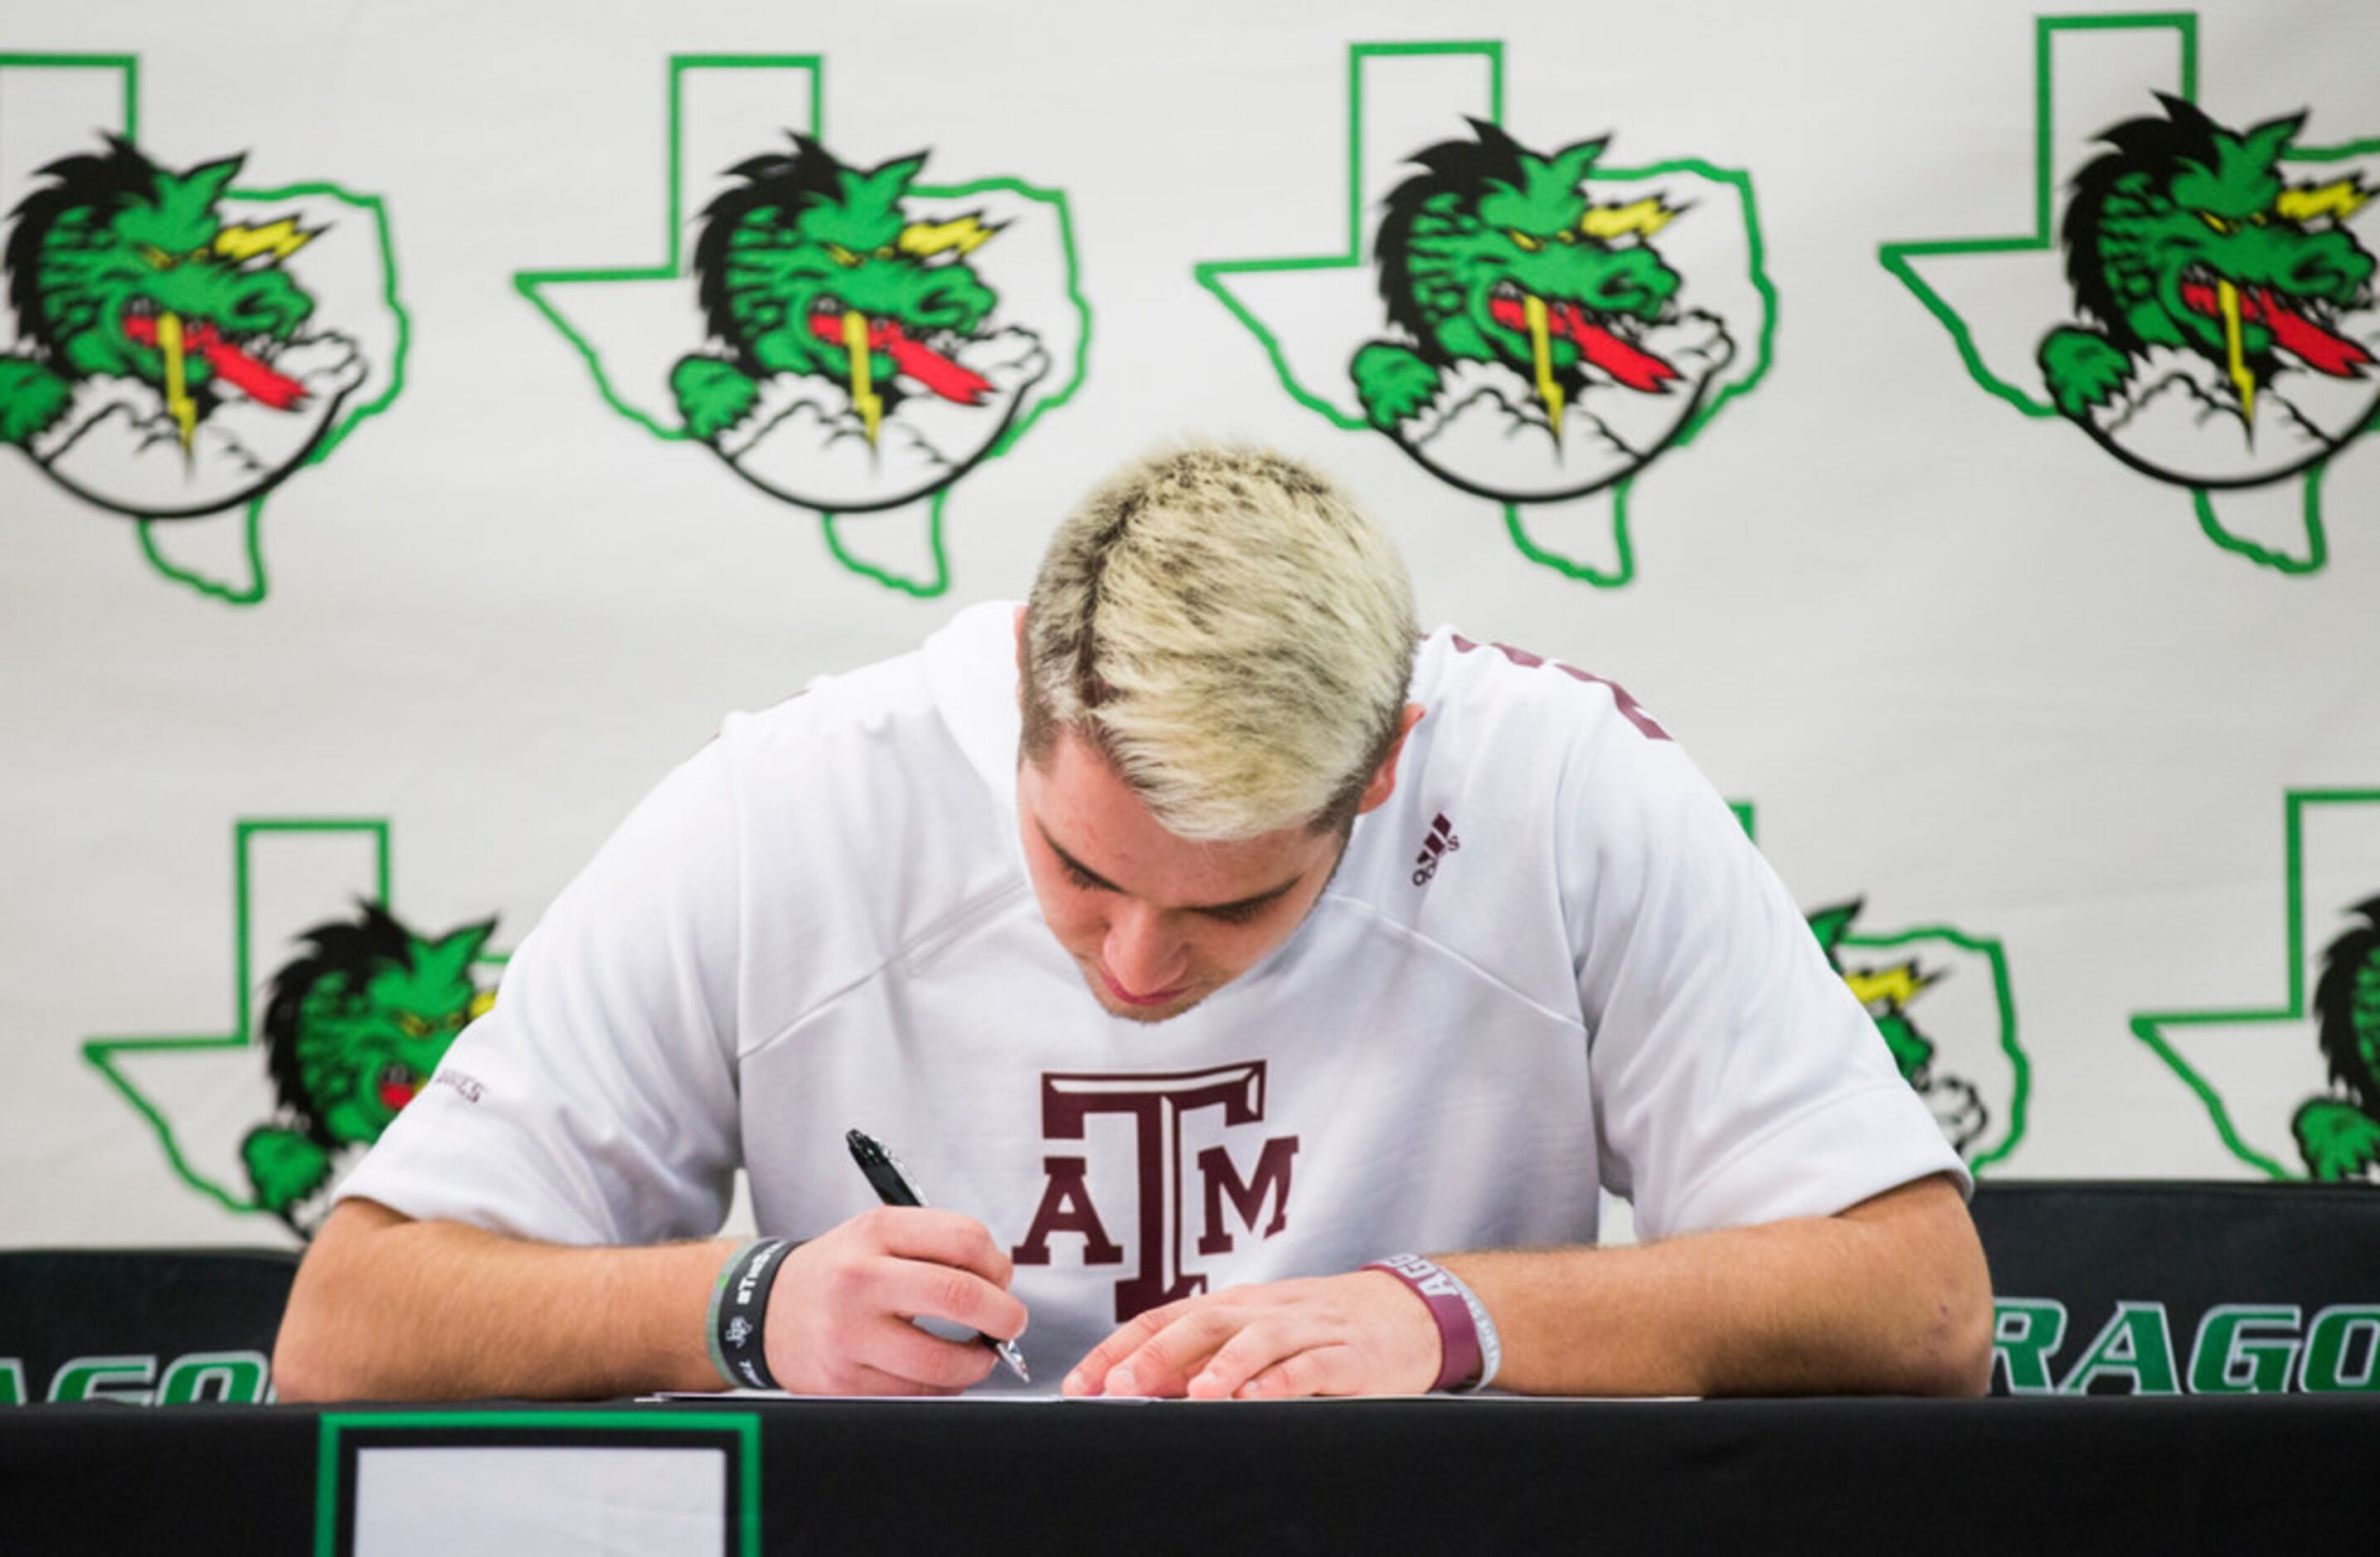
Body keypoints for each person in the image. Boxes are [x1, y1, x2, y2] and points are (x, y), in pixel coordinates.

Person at [274, 444, 1991, 1402]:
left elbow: (1920, 1307)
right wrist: (746, 1306)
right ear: (1017, 700)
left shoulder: (1557, 787)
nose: (1139, 968)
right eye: (1080, 876)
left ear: (1386, 769)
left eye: (1238, 904)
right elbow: (350, 1330)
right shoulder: (792, 804)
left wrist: (1450, 1320)